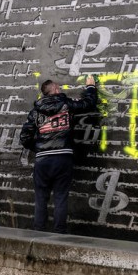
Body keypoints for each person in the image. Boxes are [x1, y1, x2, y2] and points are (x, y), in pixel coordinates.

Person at [20, 75, 97, 234]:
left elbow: (24, 137)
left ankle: (38, 234)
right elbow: (88, 104)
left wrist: (40, 148)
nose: (61, 88)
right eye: (59, 87)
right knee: (60, 197)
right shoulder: (66, 105)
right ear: (54, 90)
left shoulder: (35, 112)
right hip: (63, 158)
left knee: (41, 198)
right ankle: (59, 235)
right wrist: (90, 87)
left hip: (42, 161)